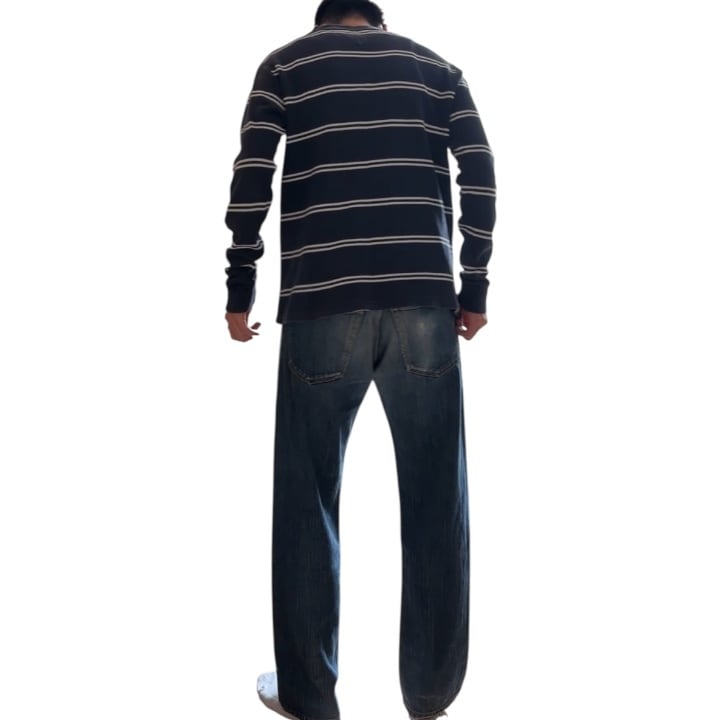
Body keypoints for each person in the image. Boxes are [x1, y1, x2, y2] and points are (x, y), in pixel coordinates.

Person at [224, 1, 496, 718]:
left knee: (307, 502)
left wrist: (239, 288)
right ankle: (430, 695)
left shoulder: (285, 65)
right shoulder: (436, 69)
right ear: (376, 19)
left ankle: (310, 697)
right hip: (424, 305)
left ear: (323, 18)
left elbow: (251, 176)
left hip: (321, 301)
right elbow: (480, 172)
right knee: (437, 500)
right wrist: (474, 288)